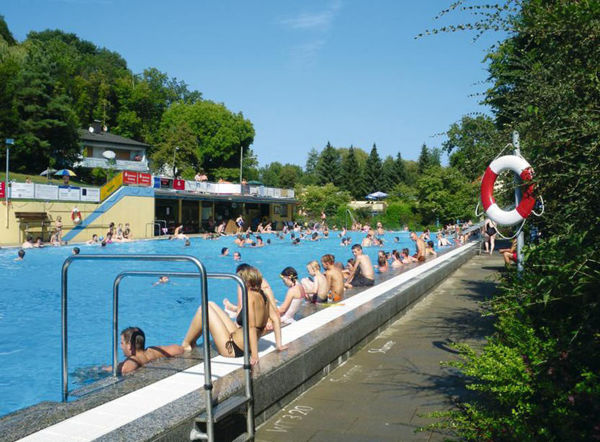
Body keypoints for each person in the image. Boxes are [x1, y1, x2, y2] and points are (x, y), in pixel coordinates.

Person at [182, 266, 287, 365]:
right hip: (238, 338)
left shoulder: (250, 296)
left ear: (247, 282)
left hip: (234, 348)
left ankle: (186, 344)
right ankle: (193, 341)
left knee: (203, 309)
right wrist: (279, 345)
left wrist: (254, 355)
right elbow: (275, 319)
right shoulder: (263, 295)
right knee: (210, 304)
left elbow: (251, 327)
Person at [115, 327, 183, 375]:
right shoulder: (154, 351)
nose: (121, 346)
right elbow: (178, 349)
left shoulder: (133, 360)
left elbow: (125, 369)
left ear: (129, 345)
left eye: (122, 343)